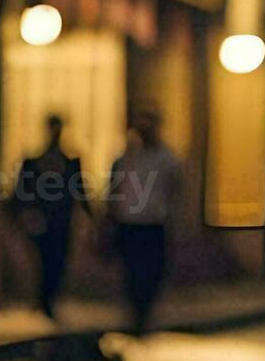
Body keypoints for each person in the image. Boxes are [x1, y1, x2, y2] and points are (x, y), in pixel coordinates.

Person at [108, 109, 181, 334]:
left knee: (152, 272)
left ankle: (144, 314)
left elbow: (175, 191)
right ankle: (135, 315)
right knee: (131, 271)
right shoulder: (127, 158)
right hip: (129, 223)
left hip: (153, 224)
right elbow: (115, 188)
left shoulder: (168, 159)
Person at [11, 115, 91, 319]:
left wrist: (91, 215)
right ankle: (44, 299)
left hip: (61, 221)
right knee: (45, 260)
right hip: (41, 221)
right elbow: (22, 192)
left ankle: (47, 298)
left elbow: (79, 189)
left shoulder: (69, 162)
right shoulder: (34, 162)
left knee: (57, 261)